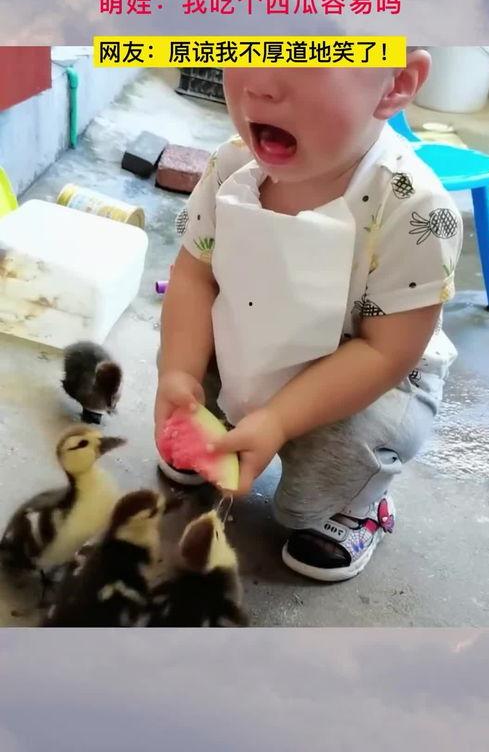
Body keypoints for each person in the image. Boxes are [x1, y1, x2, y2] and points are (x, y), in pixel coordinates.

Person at [154, 52, 463, 582]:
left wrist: (279, 419)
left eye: (309, 60)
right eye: (242, 52)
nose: (260, 86)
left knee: (327, 478)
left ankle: (358, 506)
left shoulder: (414, 209)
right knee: (187, 357)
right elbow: (195, 277)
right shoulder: (231, 166)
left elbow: (386, 351)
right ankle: (218, 435)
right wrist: (179, 371)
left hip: (359, 376)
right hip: (249, 334)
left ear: (395, 83)